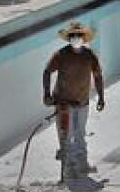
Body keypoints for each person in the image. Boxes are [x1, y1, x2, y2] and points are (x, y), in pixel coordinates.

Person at [42, 21, 105, 183]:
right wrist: (47, 94)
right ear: (69, 38)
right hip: (64, 104)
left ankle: (82, 164)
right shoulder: (61, 55)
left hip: (82, 102)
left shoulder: (90, 56)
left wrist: (101, 97)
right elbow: (47, 71)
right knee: (66, 135)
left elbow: (97, 76)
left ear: (84, 38)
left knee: (80, 134)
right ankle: (68, 169)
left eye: (79, 36)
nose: (76, 38)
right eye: (73, 36)